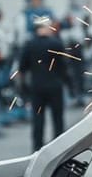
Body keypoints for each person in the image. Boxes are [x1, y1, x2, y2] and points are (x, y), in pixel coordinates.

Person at [18, 16, 68, 151]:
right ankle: (59, 146)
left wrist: (23, 86)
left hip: (37, 86)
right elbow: (64, 67)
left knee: (38, 118)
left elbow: (22, 67)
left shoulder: (30, 44)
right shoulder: (56, 43)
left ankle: (37, 147)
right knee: (57, 118)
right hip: (55, 86)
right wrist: (70, 85)